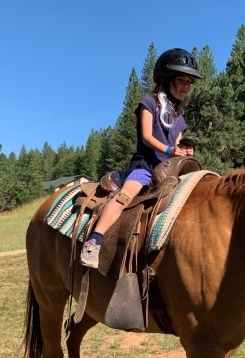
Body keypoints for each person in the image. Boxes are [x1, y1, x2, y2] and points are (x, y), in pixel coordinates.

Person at [80, 48, 201, 268]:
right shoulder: (149, 103)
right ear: (166, 79)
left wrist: (183, 151)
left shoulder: (178, 117)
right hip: (145, 165)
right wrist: (169, 150)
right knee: (125, 196)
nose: (186, 86)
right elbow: (146, 136)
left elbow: (176, 144)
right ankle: (94, 240)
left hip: (169, 169)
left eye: (189, 82)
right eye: (181, 80)